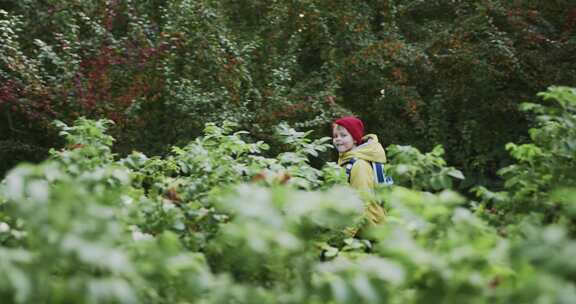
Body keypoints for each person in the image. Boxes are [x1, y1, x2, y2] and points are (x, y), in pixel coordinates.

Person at [332, 116, 387, 236]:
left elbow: (361, 202)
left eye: (343, 135)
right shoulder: (346, 162)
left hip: (370, 231)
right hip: (359, 230)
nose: (338, 139)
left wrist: (344, 236)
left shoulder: (359, 165)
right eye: (335, 136)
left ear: (355, 139)